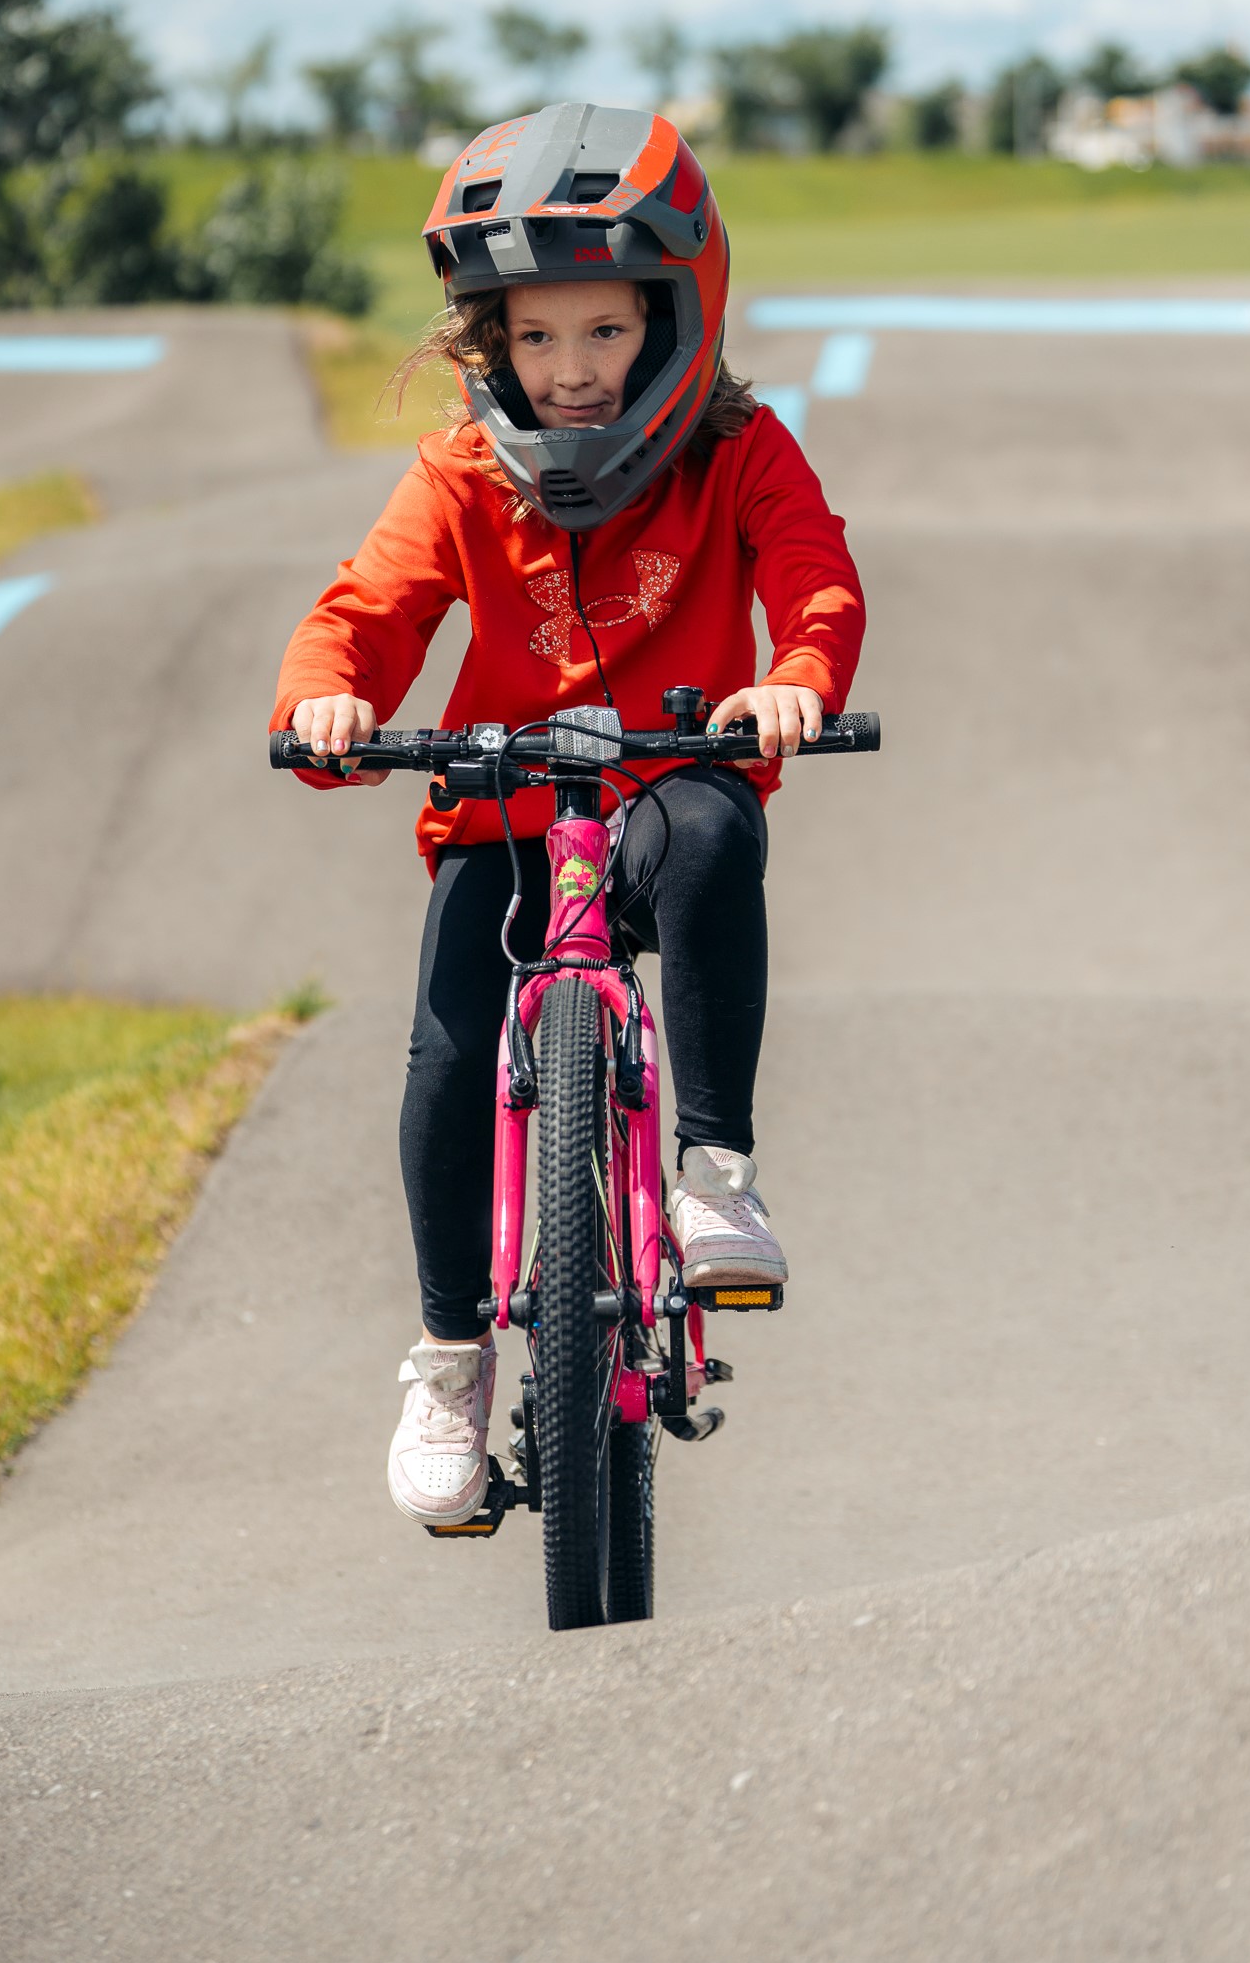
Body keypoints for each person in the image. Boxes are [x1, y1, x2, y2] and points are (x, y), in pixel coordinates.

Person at [270, 102, 865, 1528]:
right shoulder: (464, 476)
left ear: (674, 315)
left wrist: (793, 678)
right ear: (492, 341)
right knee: (447, 1054)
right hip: (507, 816)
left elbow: (816, 576)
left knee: (721, 837)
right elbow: (362, 615)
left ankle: (715, 1174)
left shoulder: (740, 450)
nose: (573, 370)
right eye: (536, 338)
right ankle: (454, 1359)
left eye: (604, 331)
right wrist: (327, 702)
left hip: (668, 790)